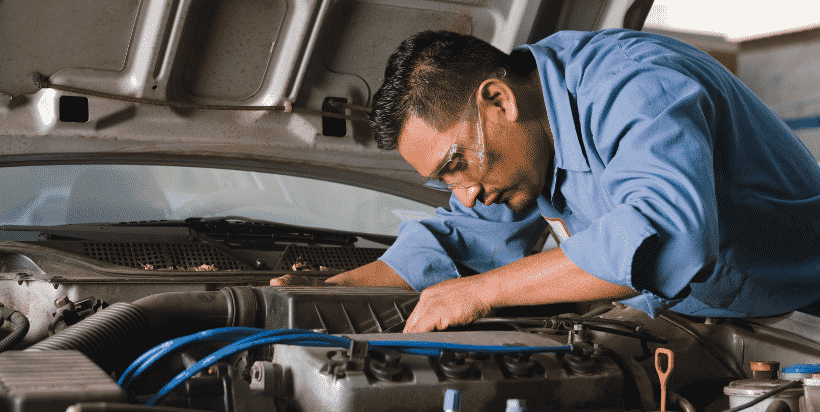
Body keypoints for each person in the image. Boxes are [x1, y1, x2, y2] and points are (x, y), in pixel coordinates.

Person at [272, 29, 820, 333]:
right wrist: (339, 291)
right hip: (715, 317)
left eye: (455, 165)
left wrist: (482, 292)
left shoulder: (633, 84)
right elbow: (461, 238)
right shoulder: (518, 141)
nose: (466, 193)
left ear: (498, 100)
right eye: (444, 181)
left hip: (805, 310)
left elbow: (671, 235)